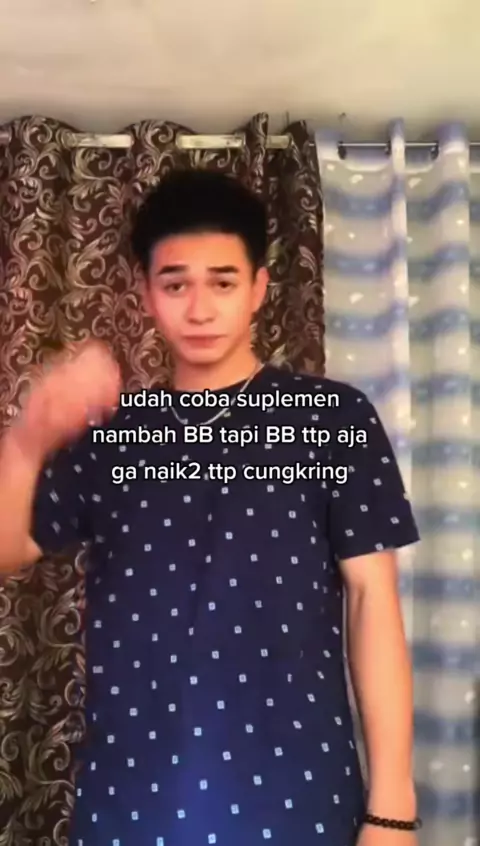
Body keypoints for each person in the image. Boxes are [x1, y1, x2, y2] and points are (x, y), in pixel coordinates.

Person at [0, 169, 421, 846]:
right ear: (146, 292)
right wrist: (27, 439)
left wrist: (392, 808)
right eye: (175, 285)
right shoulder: (110, 436)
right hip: (131, 799)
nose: (199, 310)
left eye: (222, 283)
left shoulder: (333, 419)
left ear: (258, 288)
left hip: (298, 795)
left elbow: (373, 599)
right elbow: (7, 549)